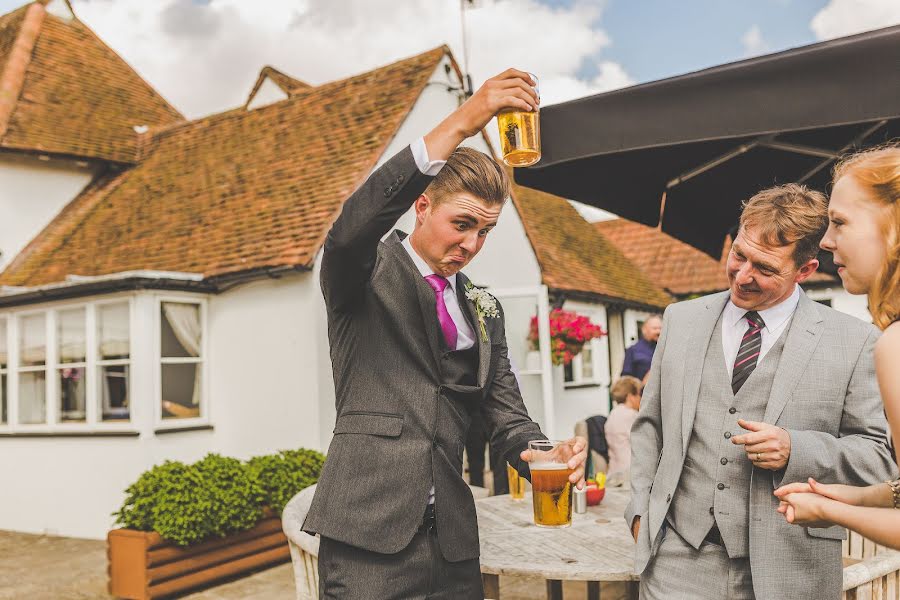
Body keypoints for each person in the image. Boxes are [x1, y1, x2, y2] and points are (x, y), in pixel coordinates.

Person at [302, 69, 587, 599]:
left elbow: (506, 416)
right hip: (368, 534)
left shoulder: (483, 306)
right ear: (423, 205)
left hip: (454, 543)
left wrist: (541, 453)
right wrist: (465, 120)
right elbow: (349, 229)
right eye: (463, 224)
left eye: (486, 231)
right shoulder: (361, 272)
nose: (474, 243)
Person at [627, 183, 896, 599]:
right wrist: (640, 514)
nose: (743, 275)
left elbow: (881, 460)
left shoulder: (859, 342)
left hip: (792, 569)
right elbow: (649, 427)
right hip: (677, 564)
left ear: (805, 270)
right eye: (739, 254)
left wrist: (796, 449)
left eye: (766, 269)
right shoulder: (681, 319)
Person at [775, 146, 900, 550]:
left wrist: (831, 512)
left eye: (840, 222)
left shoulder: (894, 346)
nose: (826, 241)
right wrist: (860, 496)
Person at [604, 375, 641, 478]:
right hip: (629, 473)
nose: (640, 398)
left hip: (613, 473)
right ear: (630, 396)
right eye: (638, 394)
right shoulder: (632, 415)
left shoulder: (612, 414)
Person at [621, 315, 661, 383]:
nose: (658, 332)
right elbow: (626, 379)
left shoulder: (666, 351)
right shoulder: (633, 350)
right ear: (644, 330)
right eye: (655, 328)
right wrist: (641, 384)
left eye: (660, 328)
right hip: (642, 393)